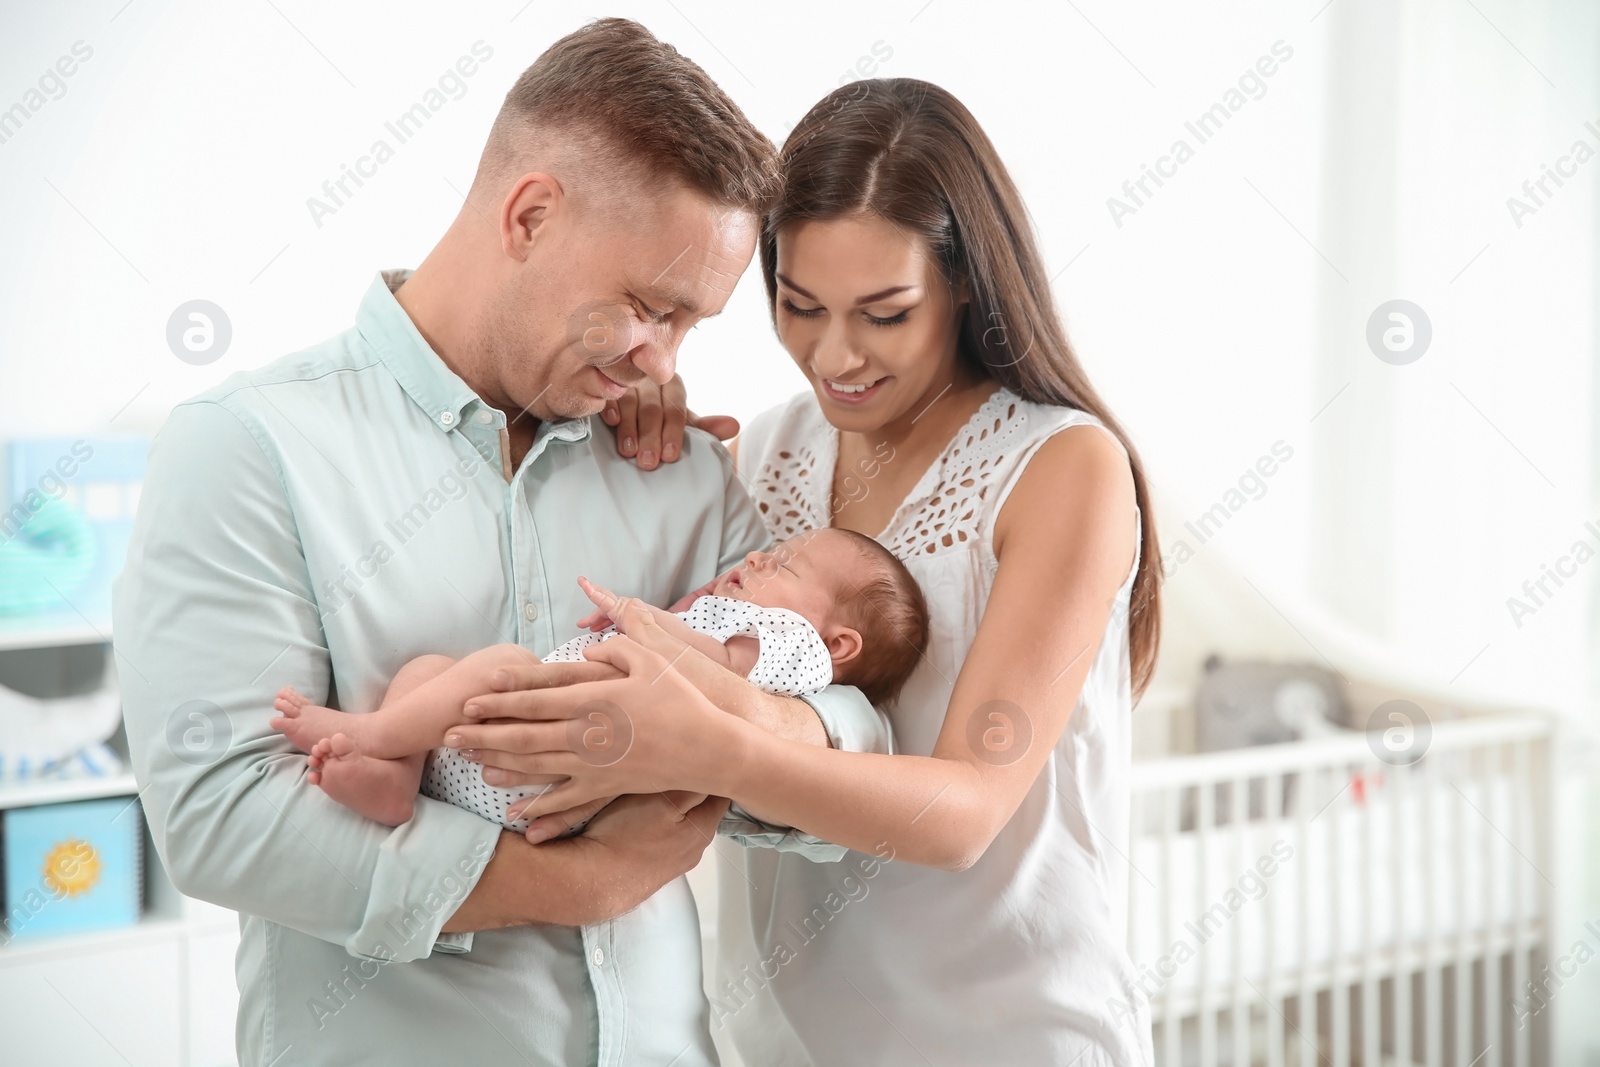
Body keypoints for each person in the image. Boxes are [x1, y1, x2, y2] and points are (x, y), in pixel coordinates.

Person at [112, 20, 890, 1067]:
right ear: (529, 214)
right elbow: (223, 816)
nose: (661, 357)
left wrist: (728, 728)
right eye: (647, 306)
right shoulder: (248, 448)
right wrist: (575, 880)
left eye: (690, 324)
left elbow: (852, 734)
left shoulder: (672, 465)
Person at [446, 78, 1165, 1065]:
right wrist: (634, 405)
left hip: (1010, 1032)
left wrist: (707, 747)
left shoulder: (1061, 466)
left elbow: (963, 812)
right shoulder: (776, 444)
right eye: (799, 305)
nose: (834, 355)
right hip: (788, 1032)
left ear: (965, 282)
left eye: (884, 312)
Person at [267, 529, 928, 829]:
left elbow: (719, 668)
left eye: (785, 564)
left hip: (556, 752)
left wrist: (638, 616)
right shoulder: (737, 617)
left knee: (495, 665)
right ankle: (395, 775)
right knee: (431, 672)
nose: (759, 555)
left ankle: (372, 733)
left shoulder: (795, 646)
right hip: (516, 760)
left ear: (840, 642)